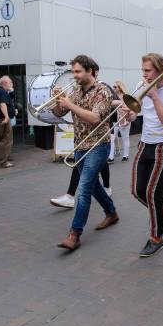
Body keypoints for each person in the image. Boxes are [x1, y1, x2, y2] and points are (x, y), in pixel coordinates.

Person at [51, 56, 118, 250]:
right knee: (93, 186)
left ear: (90, 71)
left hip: (98, 145)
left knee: (84, 189)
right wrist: (58, 101)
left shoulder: (102, 91)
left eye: (78, 71)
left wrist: (70, 105)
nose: (75, 75)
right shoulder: (74, 90)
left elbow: (95, 118)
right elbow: (58, 113)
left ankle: (74, 234)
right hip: (79, 145)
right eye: (73, 72)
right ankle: (111, 212)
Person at [120, 53, 163, 257]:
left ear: (160, 70)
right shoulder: (141, 84)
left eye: (148, 70)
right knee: (137, 190)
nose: (144, 74)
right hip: (144, 143)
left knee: (152, 193)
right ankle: (161, 212)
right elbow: (136, 112)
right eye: (143, 70)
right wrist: (128, 115)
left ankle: (156, 237)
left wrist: (155, 95)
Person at [0, 76, 15, 168]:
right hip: (2, 119)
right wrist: (6, 117)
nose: (11, 84)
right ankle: (3, 162)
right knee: (6, 140)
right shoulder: (2, 92)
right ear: (5, 83)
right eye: (10, 82)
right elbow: (2, 104)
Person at [108, 81, 131, 163]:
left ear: (120, 88)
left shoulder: (126, 97)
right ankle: (111, 157)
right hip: (113, 120)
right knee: (111, 138)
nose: (113, 88)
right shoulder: (112, 96)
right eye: (113, 86)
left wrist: (128, 119)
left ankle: (125, 156)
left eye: (115, 87)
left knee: (125, 138)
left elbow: (130, 109)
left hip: (123, 120)